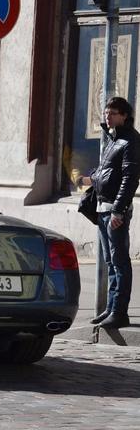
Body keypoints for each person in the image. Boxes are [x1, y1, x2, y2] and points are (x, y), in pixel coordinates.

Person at [78, 97, 140, 329]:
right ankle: (110, 308)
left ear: (124, 115)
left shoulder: (130, 140)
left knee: (119, 260)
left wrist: (119, 210)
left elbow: (129, 178)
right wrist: (91, 178)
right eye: (106, 112)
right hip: (102, 207)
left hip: (115, 209)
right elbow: (107, 172)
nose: (108, 116)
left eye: (113, 112)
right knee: (110, 261)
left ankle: (119, 311)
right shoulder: (112, 138)